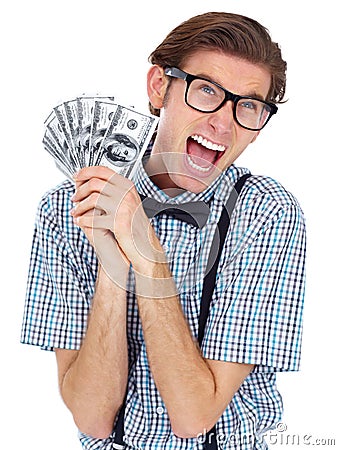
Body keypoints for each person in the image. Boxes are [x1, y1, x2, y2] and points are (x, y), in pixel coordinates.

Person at [21, 11, 306, 450]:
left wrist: (147, 253)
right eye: (207, 90)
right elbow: (94, 418)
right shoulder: (66, 208)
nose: (224, 123)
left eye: (248, 105)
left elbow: (194, 416)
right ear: (159, 87)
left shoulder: (265, 213)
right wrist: (113, 263)